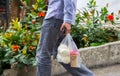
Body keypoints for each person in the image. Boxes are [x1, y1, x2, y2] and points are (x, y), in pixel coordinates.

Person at [36, 0, 94, 76]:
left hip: (54, 18)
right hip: (59, 19)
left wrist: (68, 20)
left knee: (43, 55)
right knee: (64, 54)